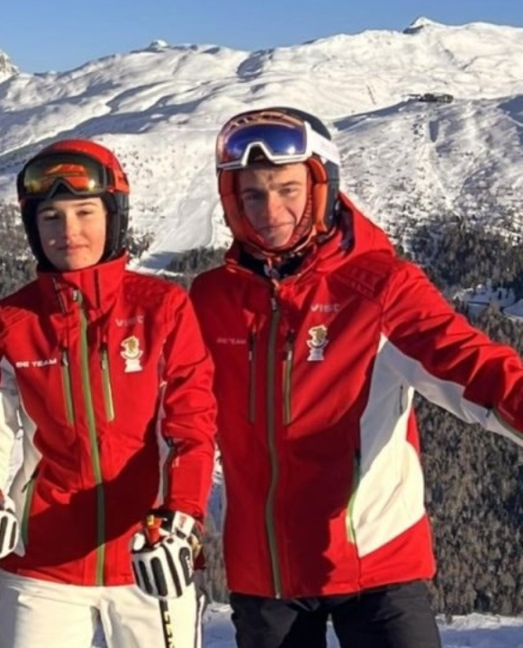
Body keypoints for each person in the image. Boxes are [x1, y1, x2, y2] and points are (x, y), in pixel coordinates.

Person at [191, 106, 523, 648]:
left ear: (321, 187)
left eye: (287, 189)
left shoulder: (381, 288)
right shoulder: (213, 299)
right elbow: (176, 412)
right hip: (266, 571)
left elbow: (472, 365)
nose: (270, 210)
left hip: (377, 565)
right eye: (252, 194)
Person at [0, 138, 218, 647]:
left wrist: (180, 520)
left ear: (113, 217)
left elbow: (190, 427)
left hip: (147, 553)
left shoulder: (161, 309)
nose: (68, 232)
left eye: (84, 213)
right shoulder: (13, 321)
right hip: (41, 561)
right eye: (50, 217)